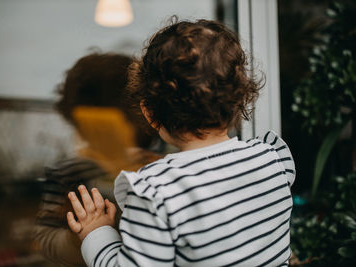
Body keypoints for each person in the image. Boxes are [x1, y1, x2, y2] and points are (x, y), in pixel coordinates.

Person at [66, 19, 296, 266]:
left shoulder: (156, 193)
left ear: (149, 113)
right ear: (238, 100)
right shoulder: (273, 159)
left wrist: (97, 233)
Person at [33, 53, 160, 267]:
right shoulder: (71, 173)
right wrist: (78, 236)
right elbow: (46, 239)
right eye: (93, 124)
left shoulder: (156, 167)